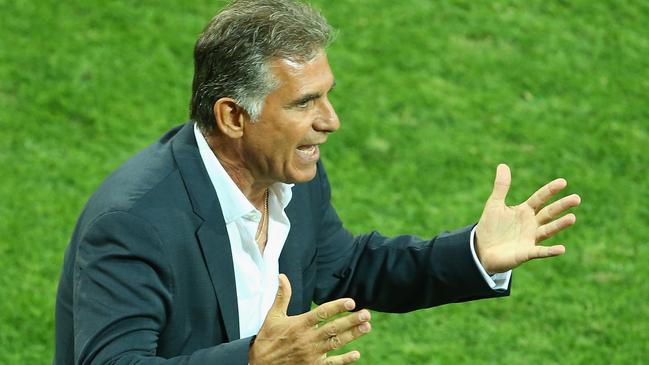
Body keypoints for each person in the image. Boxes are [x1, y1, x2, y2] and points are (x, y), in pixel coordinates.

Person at [53, 0, 581, 364]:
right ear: (234, 117)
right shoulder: (132, 222)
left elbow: (341, 269)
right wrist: (255, 360)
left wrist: (474, 254)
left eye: (326, 95)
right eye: (304, 103)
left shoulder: (291, 177)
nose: (331, 121)